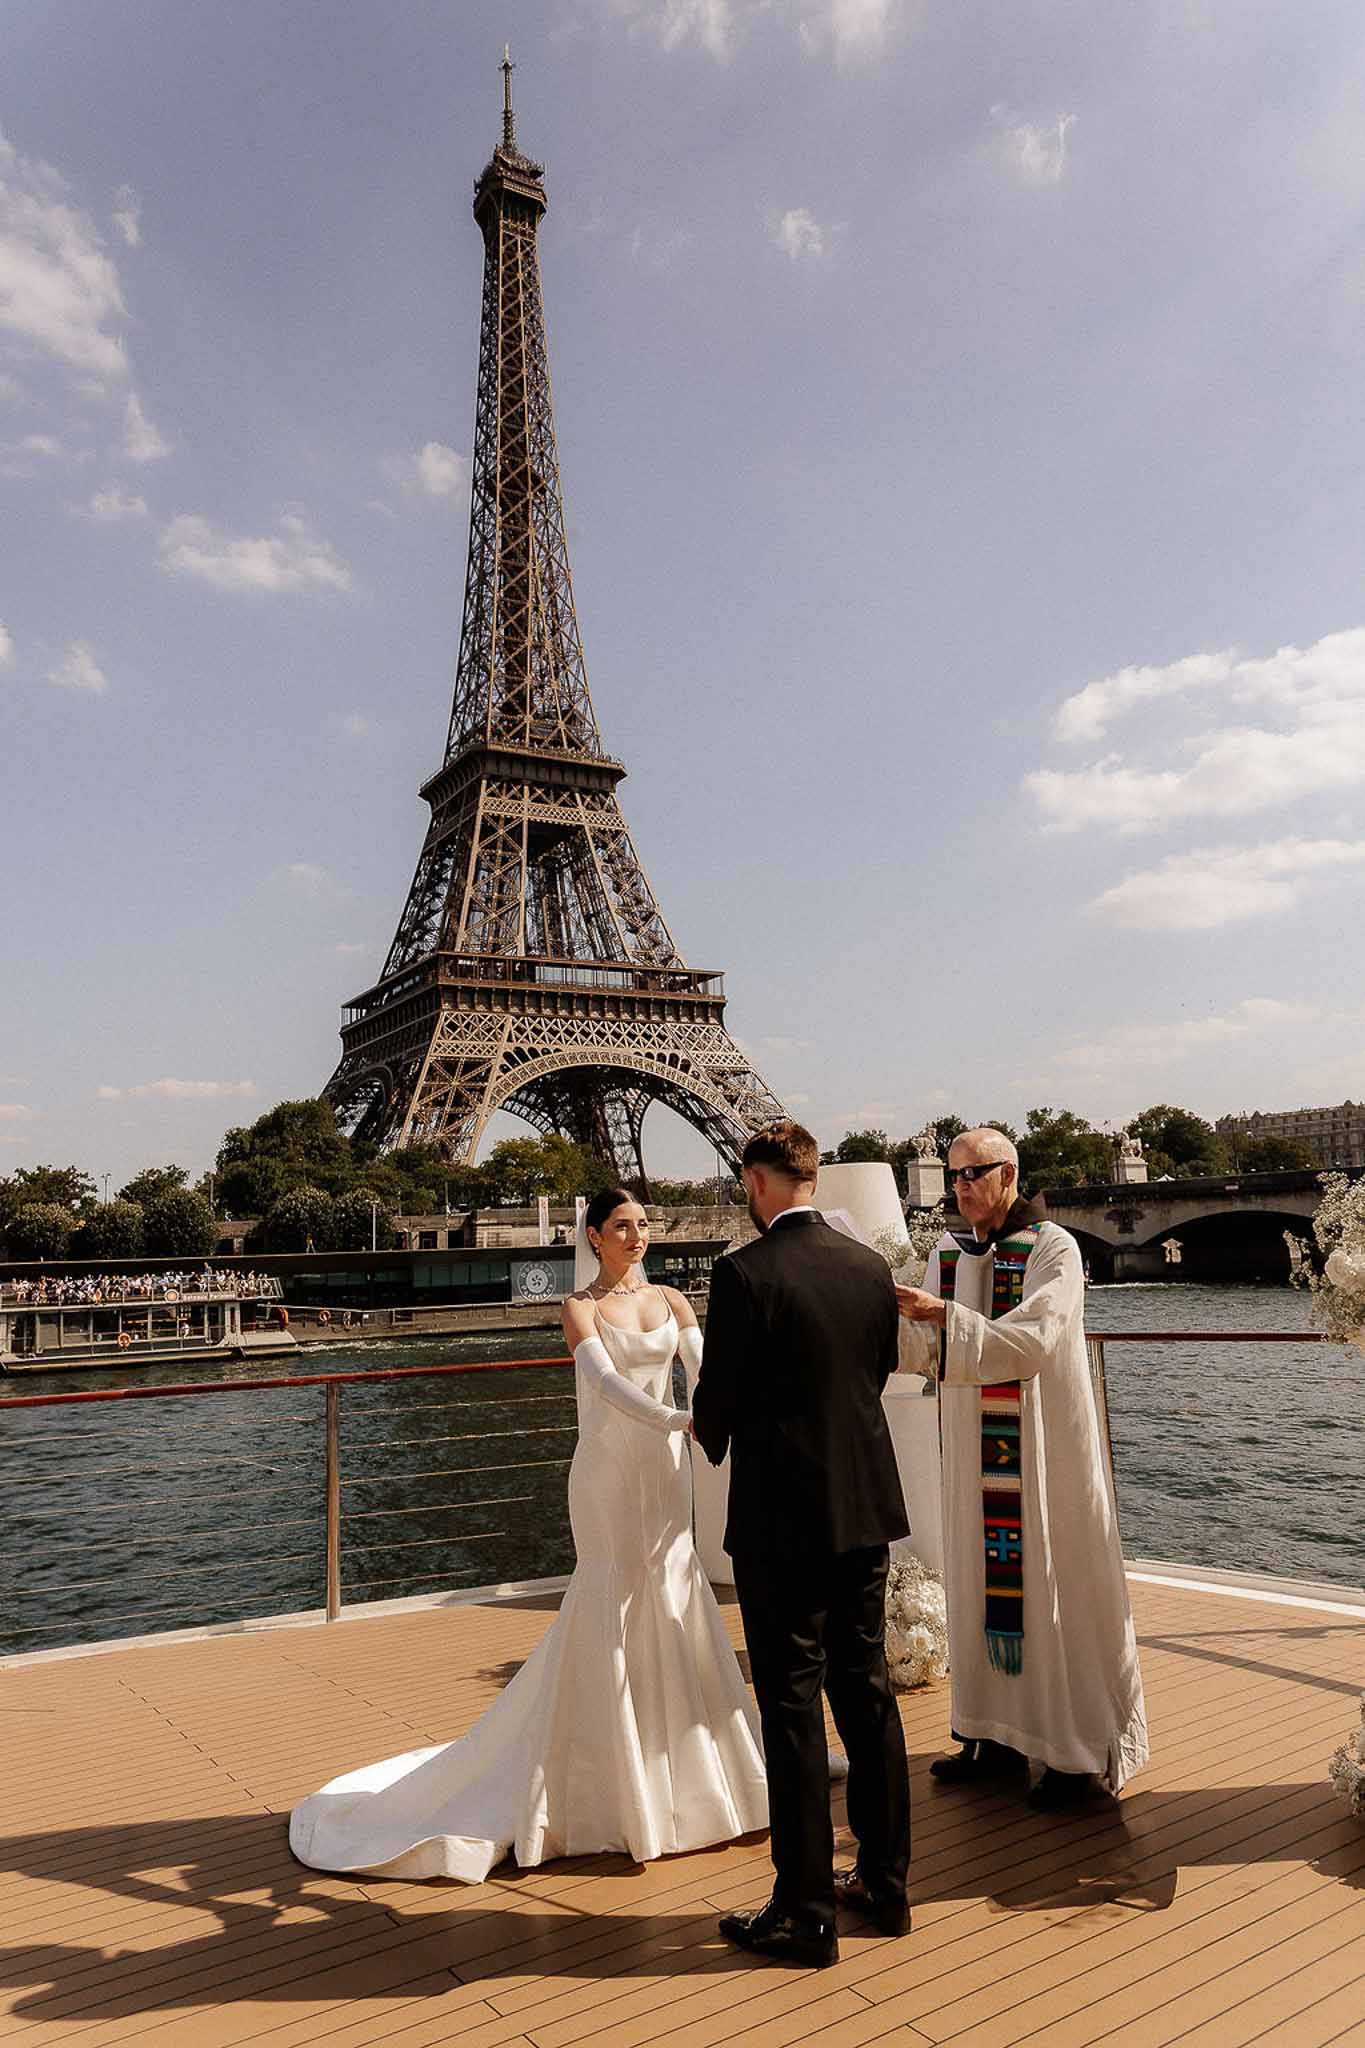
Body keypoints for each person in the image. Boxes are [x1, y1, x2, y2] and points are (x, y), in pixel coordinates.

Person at [289, 1186, 767, 1882]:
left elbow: (705, 1371)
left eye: (643, 1225)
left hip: (668, 1472)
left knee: (671, 1586)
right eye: (622, 1226)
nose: (637, 1236)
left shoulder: (672, 1301)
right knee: (614, 1596)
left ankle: (695, 1764)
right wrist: (680, 1422)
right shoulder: (578, 1309)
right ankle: (618, 1778)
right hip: (610, 1470)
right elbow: (604, 1388)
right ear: (594, 1236)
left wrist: (720, 1413)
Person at [692, 1120, 912, 1969]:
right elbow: (879, 1366)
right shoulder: (867, 1267)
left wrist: (704, 1433)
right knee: (867, 1695)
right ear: (810, 1177)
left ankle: (804, 1911)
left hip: (782, 1518)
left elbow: (721, 1392)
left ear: (755, 1180)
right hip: (861, 1513)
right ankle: (886, 1886)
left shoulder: (742, 1272)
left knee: (791, 1710)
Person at [895, 1128, 1148, 1808]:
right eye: (952, 1176)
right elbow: (921, 1345)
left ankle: (1073, 1752)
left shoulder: (1052, 1247)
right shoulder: (947, 1251)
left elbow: (1034, 1337)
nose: (960, 1187)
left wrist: (940, 1315)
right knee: (978, 1586)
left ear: (1008, 1174)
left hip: (1042, 1455)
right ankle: (991, 1736)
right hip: (972, 1457)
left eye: (973, 1173)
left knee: (1053, 1586)